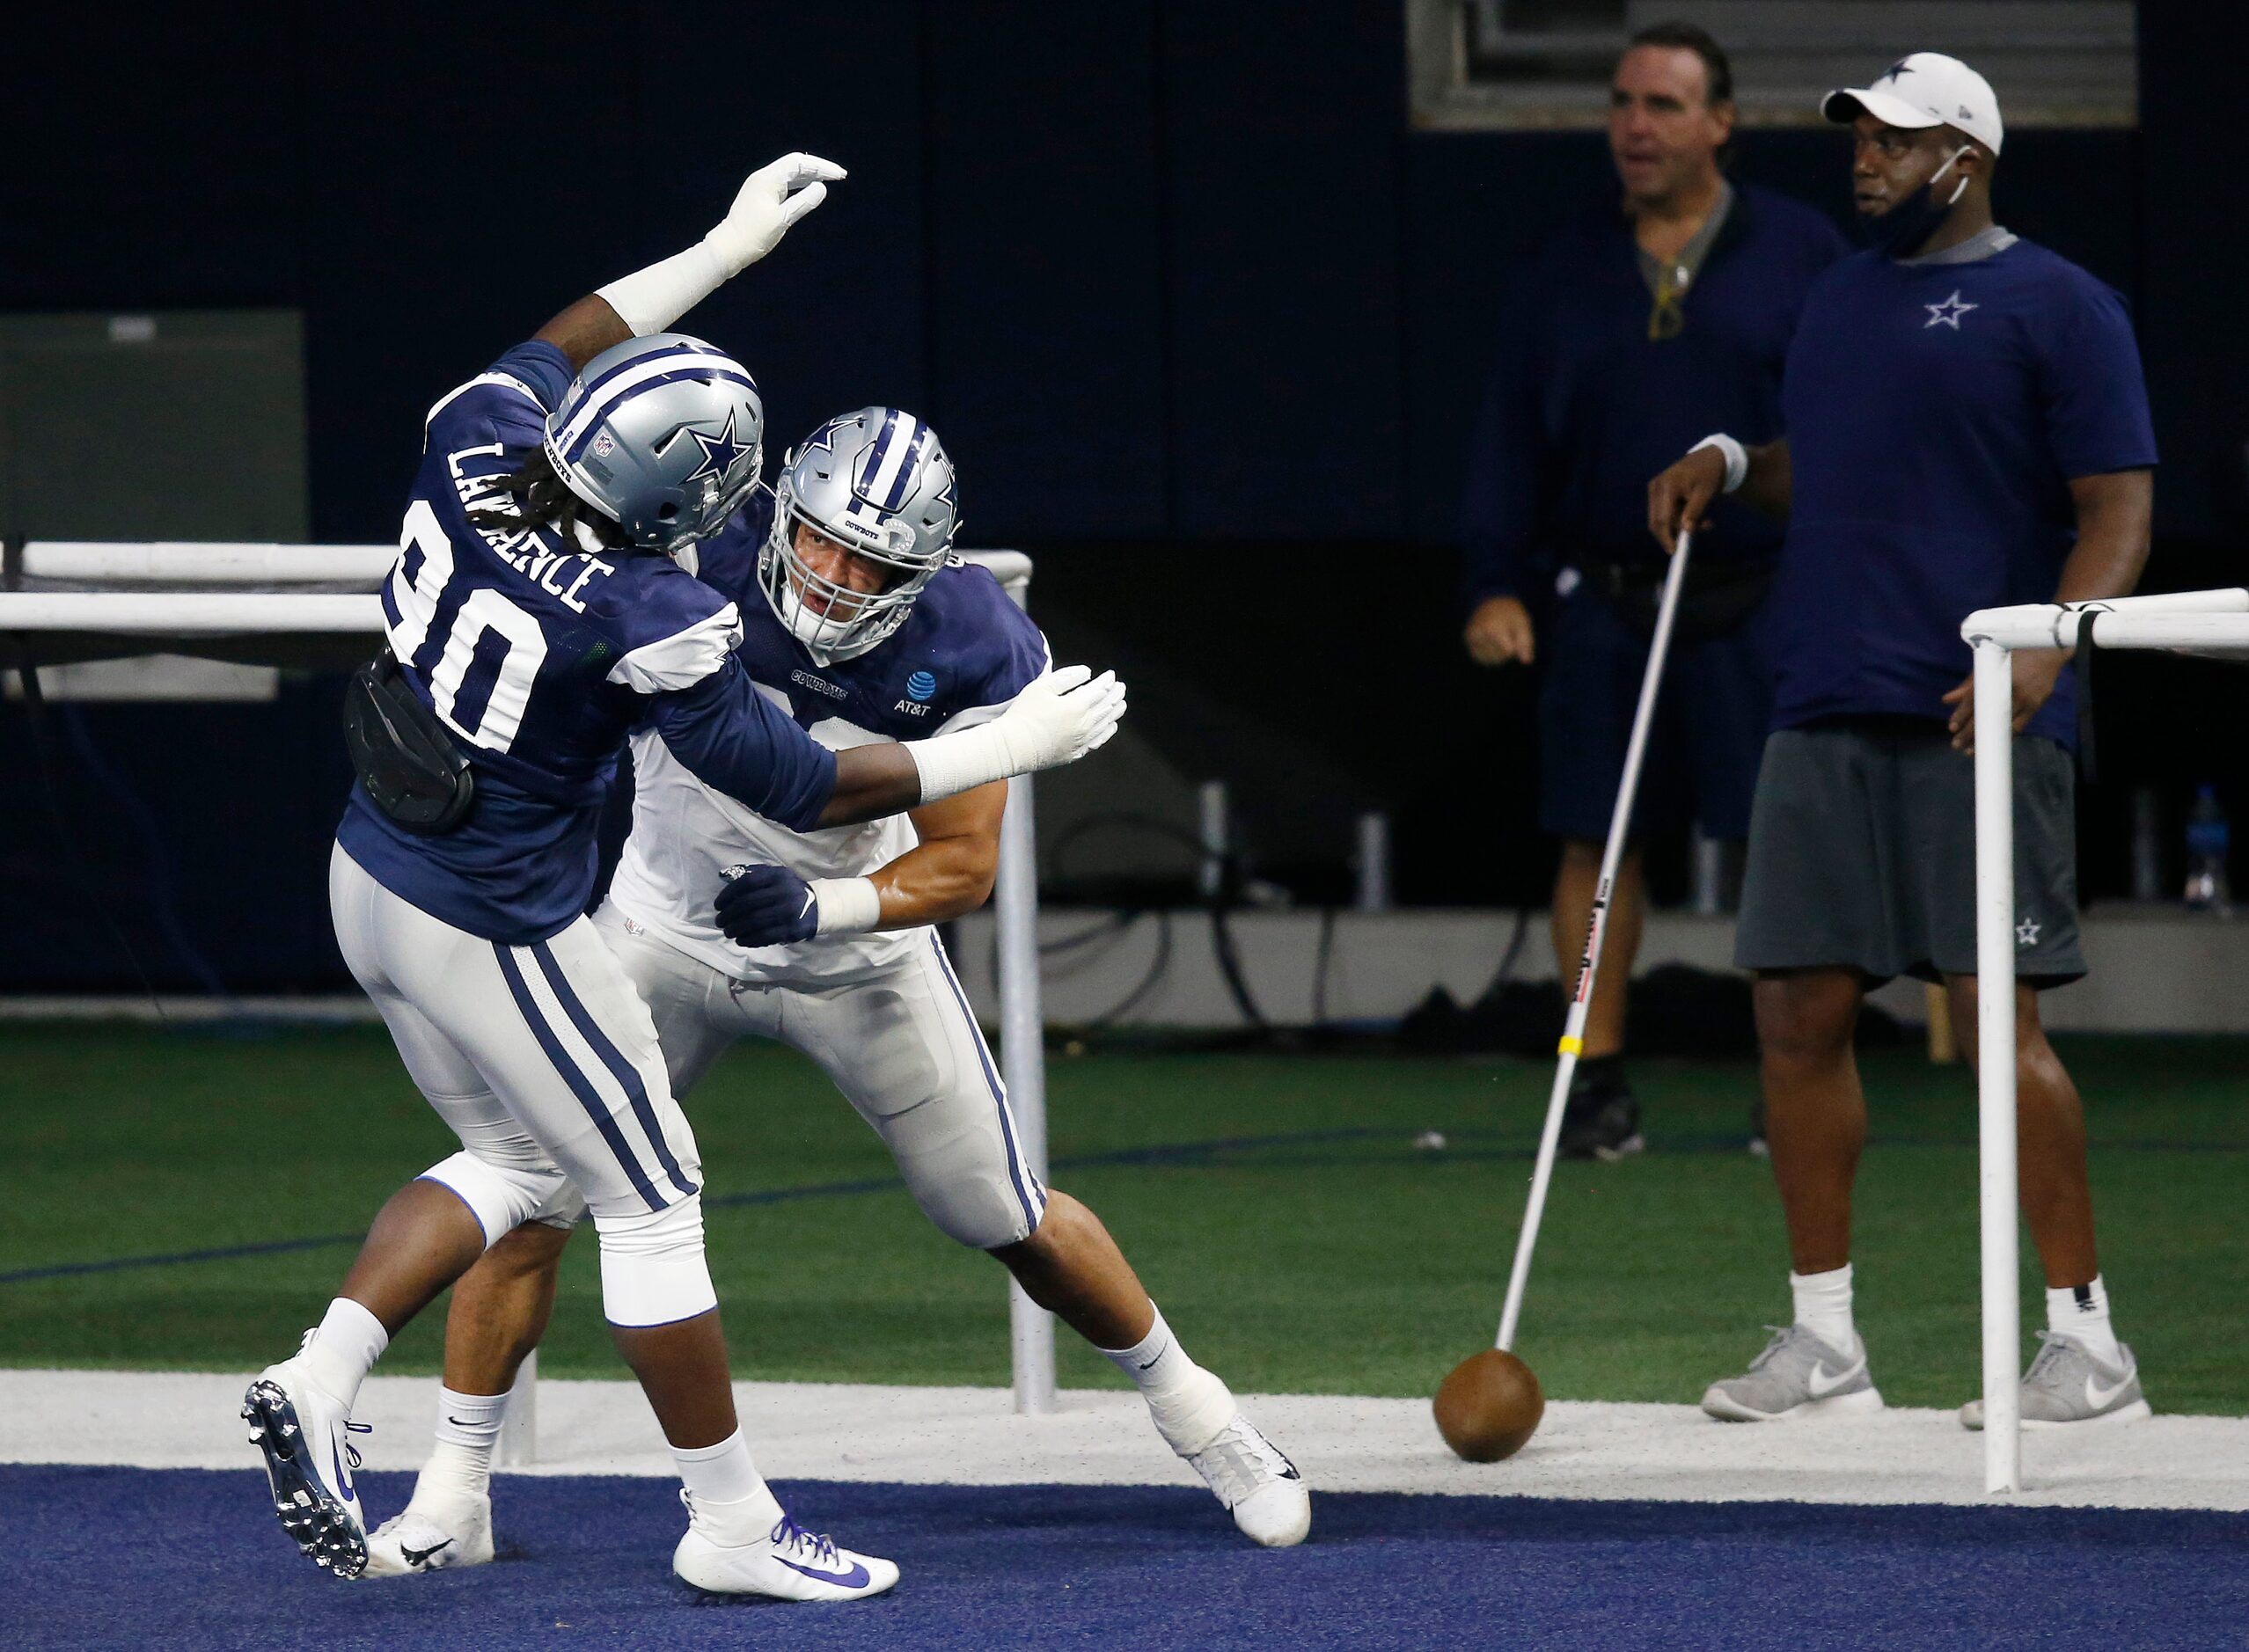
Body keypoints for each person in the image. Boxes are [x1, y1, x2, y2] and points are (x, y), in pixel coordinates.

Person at [241, 156, 1128, 1600]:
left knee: (522, 1166)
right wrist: (1002, 746)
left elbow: (568, 335)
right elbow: (799, 784)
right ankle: (728, 1519)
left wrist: (716, 251)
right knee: (649, 1195)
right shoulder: (659, 612)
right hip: (493, 915)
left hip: (367, 869)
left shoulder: (469, 431)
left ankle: (326, 1369)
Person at [358, 410, 1310, 1578]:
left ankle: (1204, 1417)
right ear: (778, 513)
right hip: (662, 927)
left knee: (1005, 1213)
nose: (838, 578)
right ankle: (453, 1490)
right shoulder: (687, 546)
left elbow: (962, 860)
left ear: (929, 567)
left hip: (855, 952)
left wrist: (830, 910)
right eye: (821, 543)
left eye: (875, 565)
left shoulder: (975, 638)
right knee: (540, 1193)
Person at [1647, 55, 2157, 1427]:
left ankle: (2087, 1342)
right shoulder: (1839, 298)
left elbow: (2115, 510)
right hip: (1822, 691)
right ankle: (1826, 1342)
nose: (1864, 160)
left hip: (1980, 696)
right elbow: (1842, 456)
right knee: (1795, 1015)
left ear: (1966, 154)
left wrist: (2050, 645)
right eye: (1858, 139)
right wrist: (1740, 464)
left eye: (1893, 140)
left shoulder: (2060, 302)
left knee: (1998, 1020)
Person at [1461, 21, 1847, 1158]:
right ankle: (1596, 1079)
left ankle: (1796, 1079)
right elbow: (1507, 444)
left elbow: (1843, 432)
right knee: (1596, 834)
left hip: (1760, 588)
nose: (1637, 124)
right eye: (1624, 102)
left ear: (1720, 123)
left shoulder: (1804, 252)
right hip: (1608, 593)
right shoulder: (1559, 268)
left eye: (1665, 105)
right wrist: (1495, 580)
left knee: (1785, 842)